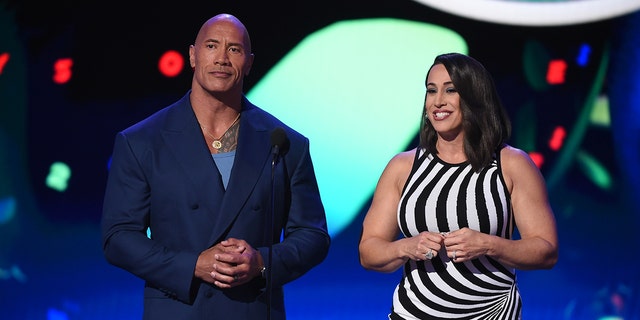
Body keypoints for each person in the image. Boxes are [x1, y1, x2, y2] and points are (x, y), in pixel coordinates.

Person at [101, 13, 330, 319]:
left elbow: (312, 235)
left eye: (234, 49)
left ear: (248, 63)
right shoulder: (142, 141)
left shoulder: (286, 143)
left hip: (253, 309)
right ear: (193, 56)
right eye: (211, 46)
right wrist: (194, 265)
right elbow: (118, 237)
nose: (222, 58)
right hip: (179, 308)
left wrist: (261, 262)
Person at [358, 52, 558, 319]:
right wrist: (406, 247)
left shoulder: (511, 164)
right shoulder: (402, 167)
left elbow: (546, 251)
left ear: (474, 97)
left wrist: (488, 245)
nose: (437, 101)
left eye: (450, 90)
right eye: (431, 91)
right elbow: (368, 251)